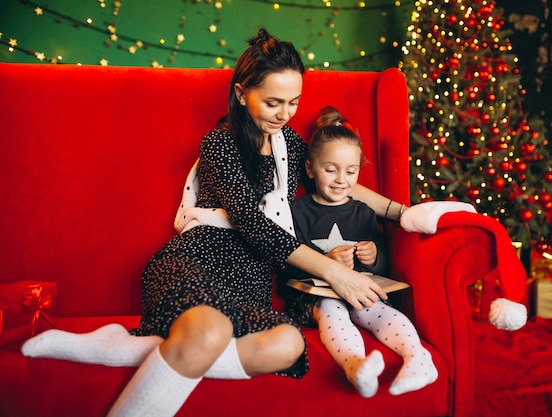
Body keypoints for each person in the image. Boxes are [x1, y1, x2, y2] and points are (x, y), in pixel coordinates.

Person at [21, 29, 406, 416]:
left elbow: (335, 179)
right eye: (273, 102)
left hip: (248, 284)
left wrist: (402, 213)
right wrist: (333, 273)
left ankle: (122, 346)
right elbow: (251, 222)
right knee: (210, 330)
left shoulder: (289, 143)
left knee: (288, 345)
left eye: (294, 102)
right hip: (198, 260)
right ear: (242, 94)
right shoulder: (219, 144)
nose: (285, 113)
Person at [281, 106, 438, 398]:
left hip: (361, 291)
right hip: (314, 299)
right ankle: (354, 364)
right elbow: (286, 265)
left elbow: (382, 267)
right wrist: (325, 262)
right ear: (309, 169)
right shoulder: (295, 212)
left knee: (376, 309)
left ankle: (418, 357)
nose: (341, 179)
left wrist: (374, 257)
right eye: (330, 170)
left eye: (351, 172)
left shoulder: (363, 212)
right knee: (332, 310)